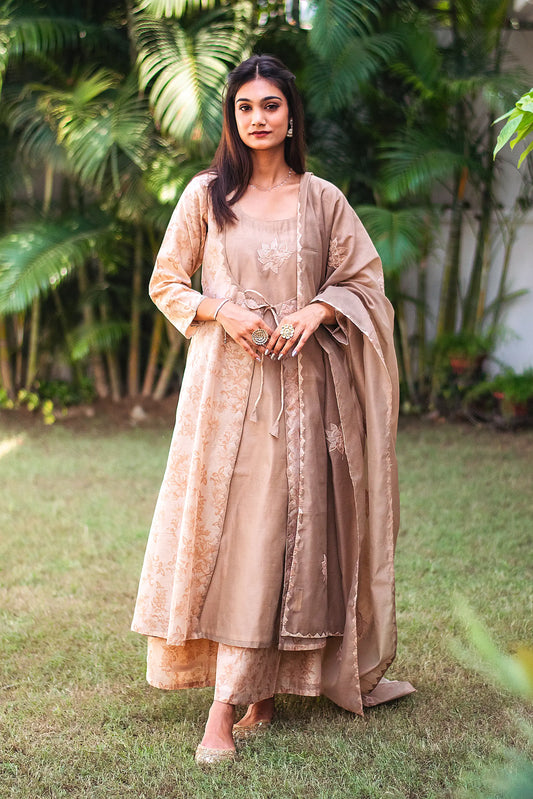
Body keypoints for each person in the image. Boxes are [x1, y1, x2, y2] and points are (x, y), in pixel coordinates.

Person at [131, 54, 414, 766]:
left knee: (290, 535)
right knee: (237, 535)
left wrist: (318, 310)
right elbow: (166, 281)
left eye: (271, 106)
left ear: (291, 117)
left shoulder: (322, 199)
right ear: (232, 118)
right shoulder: (206, 195)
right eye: (246, 107)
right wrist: (221, 309)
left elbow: (365, 283)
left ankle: (263, 689)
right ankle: (222, 707)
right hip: (225, 397)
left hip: (305, 395)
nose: (258, 118)